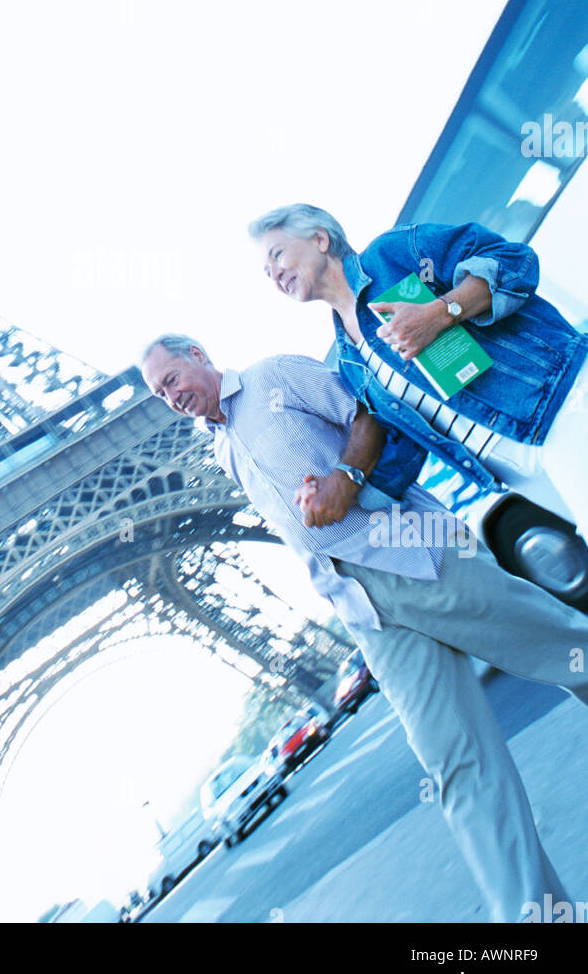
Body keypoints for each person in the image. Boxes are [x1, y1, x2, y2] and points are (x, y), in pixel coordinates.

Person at [140, 333, 588, 923]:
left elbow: (371, 411)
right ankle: (538, 918)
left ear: (197, 353)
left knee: (564, 648)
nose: (170, 396)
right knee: (454, 765)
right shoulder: (221, 448)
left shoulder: (276, 375)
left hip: (418, 555)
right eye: (157, 394)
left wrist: (344, 480)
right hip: (362, 608)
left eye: (171, 378)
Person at [247, 204, 588, 536]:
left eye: (277, 255)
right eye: (266, 272)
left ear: (320, 239)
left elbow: (513, 261)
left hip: (557, 405)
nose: (274, 274)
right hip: (513, 470)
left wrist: (441, 312)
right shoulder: (349, 360)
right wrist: (342, 487)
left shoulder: (391, 255)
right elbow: (405, 439)